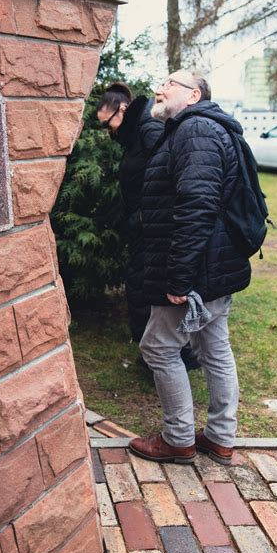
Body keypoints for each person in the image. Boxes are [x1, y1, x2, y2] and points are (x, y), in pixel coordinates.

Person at [129, 69, 251, 466]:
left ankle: (178, 438)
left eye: (169, 83)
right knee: (215, 347)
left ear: (194, 94)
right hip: (213, 267)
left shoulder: (196, 131)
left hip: (194, 272)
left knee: (158, 348)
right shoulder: (197, 128)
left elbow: (196, 207)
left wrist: (179, 278)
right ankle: (220, 437)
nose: (157, 89)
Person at [96, 82, 200, 370]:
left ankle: (164, 357)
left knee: (144, 288)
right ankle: (160, 355)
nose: (109, 130)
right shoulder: (136, 132)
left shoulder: (149, 128)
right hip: (144, 224)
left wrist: (144, 216)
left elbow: (165, 178)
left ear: (123, 109)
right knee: (141, 287)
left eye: (109, 122)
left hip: (152, 227)